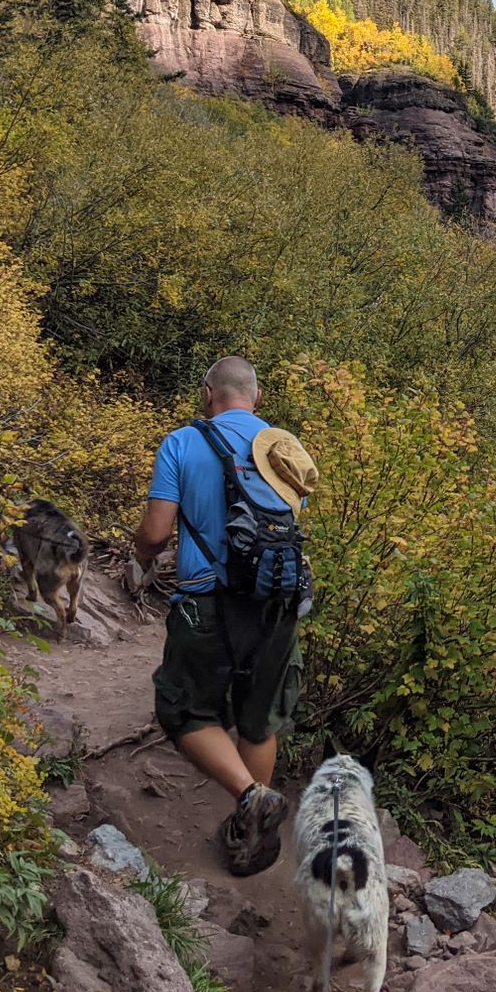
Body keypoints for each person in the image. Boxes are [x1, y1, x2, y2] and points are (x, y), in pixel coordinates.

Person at [129, 355, 319, 876]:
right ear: (257, 399)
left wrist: (140, 561)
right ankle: (250, 838)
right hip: (276, 601)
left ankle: (252, 797)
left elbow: (155, 533)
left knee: (184, 711)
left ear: (207, 393)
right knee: (259, 720)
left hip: (205, 603)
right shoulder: (284, 446)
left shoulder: (182, 443)